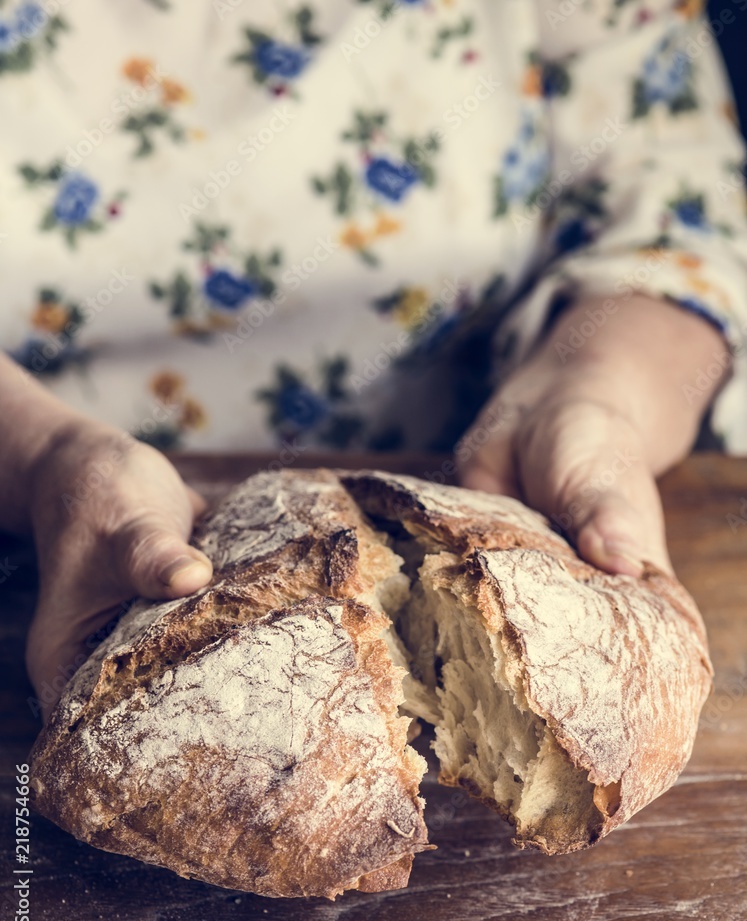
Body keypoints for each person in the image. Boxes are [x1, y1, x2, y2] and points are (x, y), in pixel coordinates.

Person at [1, 0, 745, 719]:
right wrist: (40, 455)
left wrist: (594, 393)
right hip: (52, 552)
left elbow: (676, 223)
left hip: (484, 494)